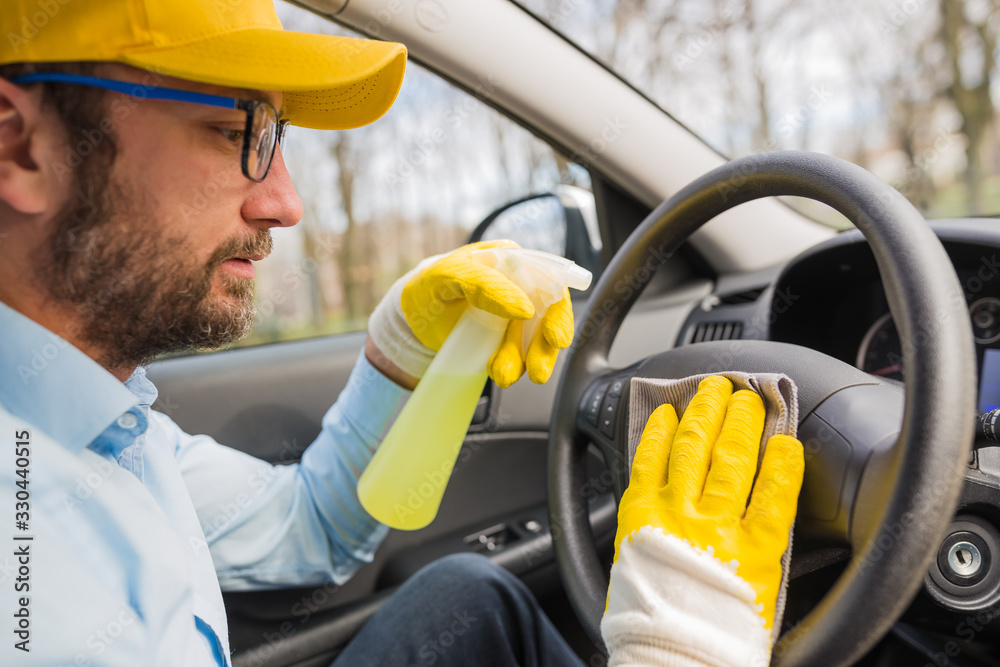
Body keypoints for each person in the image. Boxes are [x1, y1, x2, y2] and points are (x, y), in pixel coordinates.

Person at [0, 1, 804, 665]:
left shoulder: (106, 419)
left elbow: (307, 527)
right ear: (19, 145)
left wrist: (404, 350)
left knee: (466, 595)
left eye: (275, 139)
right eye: (232, 129)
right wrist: (680, 647)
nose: (285, 202)